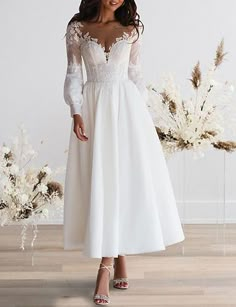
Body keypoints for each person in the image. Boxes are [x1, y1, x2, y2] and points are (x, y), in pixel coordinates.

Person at [63, 0, 185, 305]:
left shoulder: (131, 30)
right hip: (94, 111)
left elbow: (135, 75)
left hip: (127, 112)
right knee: (103, 182)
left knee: (122, 183)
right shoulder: (77, 29)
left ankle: (107, 266)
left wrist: (141, 115)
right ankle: (118, 256)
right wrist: (76, 112)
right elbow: (73, 74)